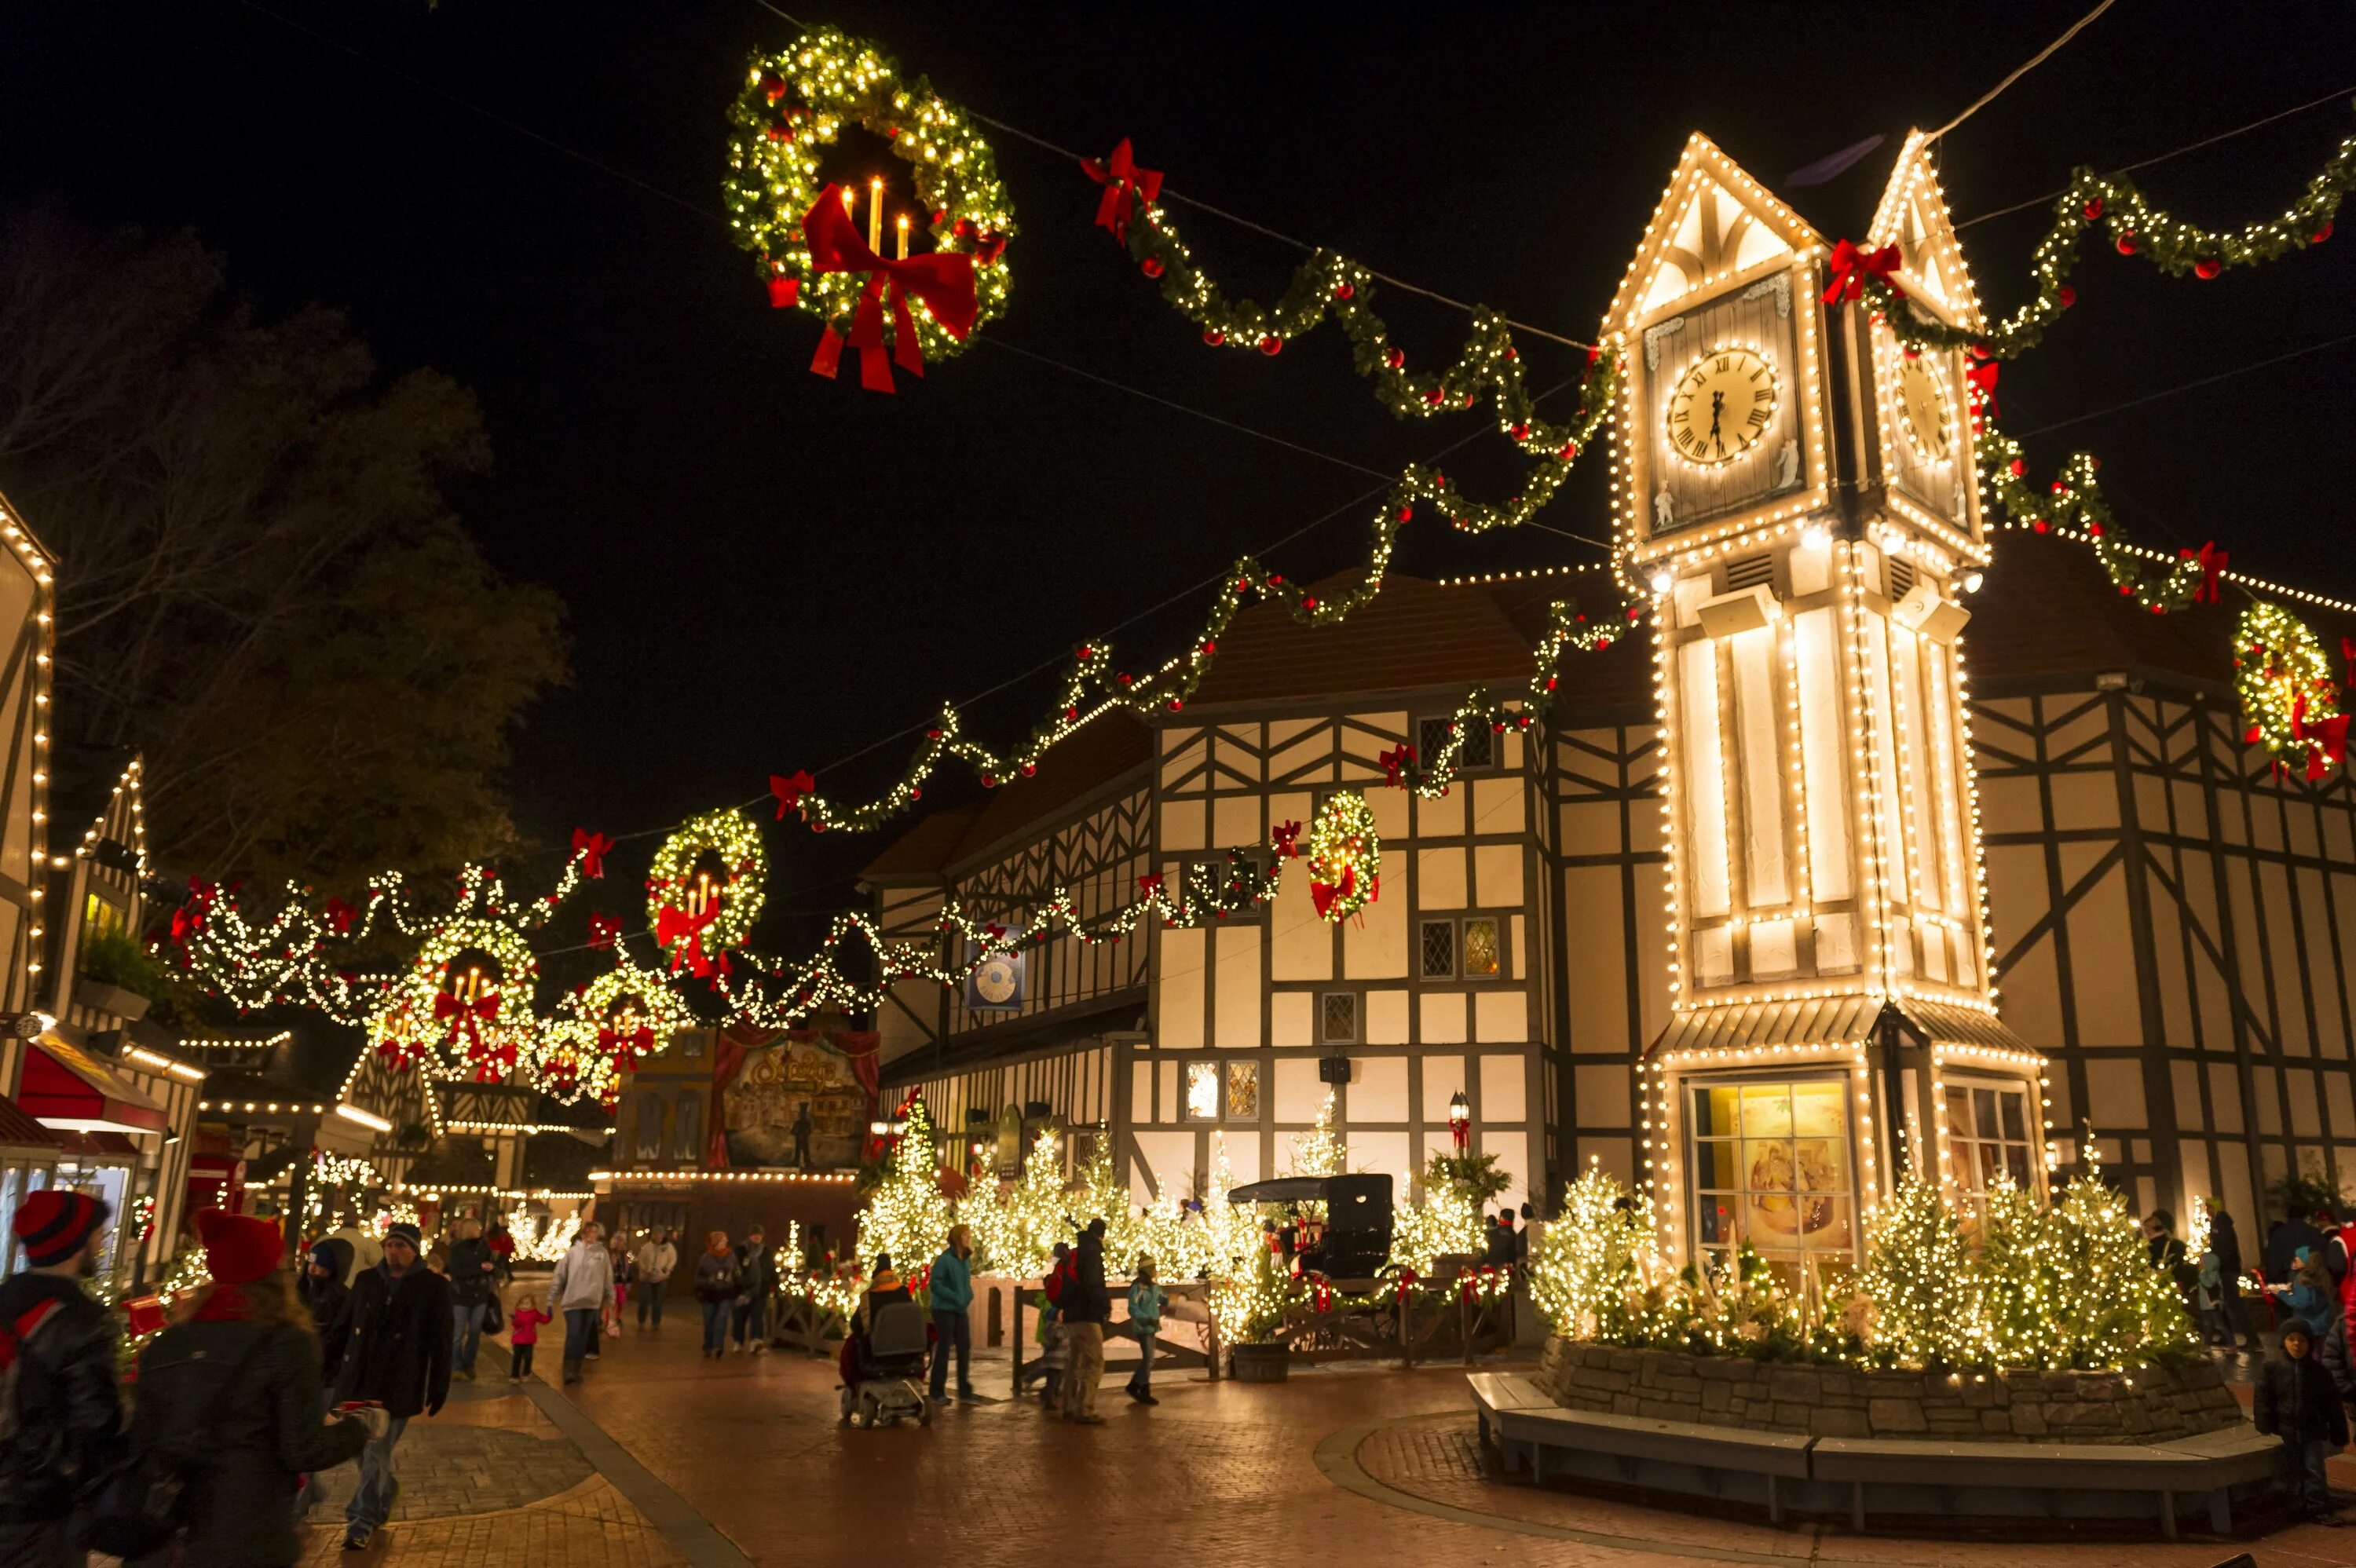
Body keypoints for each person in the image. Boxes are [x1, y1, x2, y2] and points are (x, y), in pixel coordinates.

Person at [126, 1209, 382, 1567]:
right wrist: (361, 1427)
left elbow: (144, 1435)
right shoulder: (286, 1343)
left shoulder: (168, 1344)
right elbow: (303, 1450)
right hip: (248, 1532)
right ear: (269, 1272)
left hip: (169, 1532)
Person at [0, 1192, 125, 1568]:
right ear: (77, 1243)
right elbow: (98, 1422)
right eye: (98, 1234)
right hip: (37, 1503)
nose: (101, 1243)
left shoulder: (5, 1298)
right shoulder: (82, 1320)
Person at [334, 1219, 453, 1551]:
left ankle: (360, 1522)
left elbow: (441, 1342)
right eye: (389, 1245)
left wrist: (438, 1387)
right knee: (359, 1450)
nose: (392, 1251)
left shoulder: (433, 1287)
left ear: (414, 1250)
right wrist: (327, 1366)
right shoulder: (366, 1280)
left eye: (400, 1246)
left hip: (398, 1384)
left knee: (376, 1453)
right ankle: (383, 1492)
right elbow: (344, 1327)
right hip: (358, 1382)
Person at [2255, 1320, 2349, 1525]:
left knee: (2314, 1469)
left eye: (2302, 1340)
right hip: (2285, 1429)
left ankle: (2318, 1508)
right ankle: (2296, 1505)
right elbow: (2263, 1398)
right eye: (2292, 1339)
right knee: (2292, 1468)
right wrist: (2265, 1422)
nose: (2297, 1344)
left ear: (2309, 1344)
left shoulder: (2318, 1372)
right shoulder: (2273, 1369)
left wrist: (2338, 1430)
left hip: (2312, 1430)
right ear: (2284, 1342)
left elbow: (2332, 1404)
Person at [1060, 1218, 1111, 1425]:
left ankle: (1069, 1406)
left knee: (1075, 1361)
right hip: (1088, 1315)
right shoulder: (1093, 1254)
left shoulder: (1076, 1252)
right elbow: (1094, 1284)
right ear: (1102, 1234)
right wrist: (1104, 1307)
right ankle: (1085, 1409)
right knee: (1095, 1362)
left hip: (1072, 1315)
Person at [550, 1220, 613, 1384]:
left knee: (583, 1336)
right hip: (573, 1301)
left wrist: (609, 1298)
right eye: (590, 1232)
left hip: (592, 1302)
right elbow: (560, 1276)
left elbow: (608, 1278)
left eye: (595, 1232)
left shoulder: (602, 1254)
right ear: (584, 1234)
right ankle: (568, 1370)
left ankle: (576, 1368)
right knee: (574, 1334)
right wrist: (552, 1299)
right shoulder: (572, 1253)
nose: (593, 1235)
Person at [927, 1225, 975, 1402]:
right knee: (944, 1348)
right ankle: (937, 1390)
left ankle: (964, 1388)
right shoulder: (945, 1260)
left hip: (960, 1308)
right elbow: (936, 1284)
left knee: (964, 1346)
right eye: (965, 1235)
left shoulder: (966, 1260)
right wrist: (954, 1296)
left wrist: (968, 1295)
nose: (968, 1238)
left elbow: (965, 1283)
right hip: (944, 1309)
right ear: (957, 1238)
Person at [446, 1219, 497, 1383]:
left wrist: (492, 1268)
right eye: (477, 1228)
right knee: (457, 1334)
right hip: (461, 1295)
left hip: (480, 1294)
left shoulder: (483, 1246)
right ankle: (455, 1366)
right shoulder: (457, 1248)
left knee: (475, 1331)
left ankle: (469, 1364)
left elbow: (491, 1265)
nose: (480, 1230)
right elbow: (455, 1270)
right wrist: (478, 1269)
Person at [299, 1237, 355, 1383]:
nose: (312, 1269)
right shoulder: (302, 1290)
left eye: (319, 1265)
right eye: (311, 1262)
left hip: (325, 1372)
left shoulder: (341, 1298)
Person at [2207, 1208, 2262, 1352]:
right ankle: (2230, 1337)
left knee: (2235, 1306)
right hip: (2227, 1270)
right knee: (2227, 1305)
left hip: (2227, 1271)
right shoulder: (2222, 1225)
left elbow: (2223, 1250)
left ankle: (2252, 1339)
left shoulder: (2221, 1226)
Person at [1126, 1254, 1166, 1406]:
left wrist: (1171, 1302)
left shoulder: (1154, 1288)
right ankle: (1137, 1386)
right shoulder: (1137, 1289)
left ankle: (1141, 1387)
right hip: (1143, 1327)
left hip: (1151, 1327)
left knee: (1149, 1359)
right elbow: (1133, 1308)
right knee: (1149, 1358)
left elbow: (1162, 1298)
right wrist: (1145, 1319)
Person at [693, 1230, 741, 1359]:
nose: (724, 1243)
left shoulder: (731, 1256)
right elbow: (698, 1278)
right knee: (709, 1320)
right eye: (722, 1241)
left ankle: (719, 1346)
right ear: (715, 1243)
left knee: (722, 1318)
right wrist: (708, 1281)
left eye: (725, 1241)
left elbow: (737, 1272)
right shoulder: (706, 1258)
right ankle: (708, 1345)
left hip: (726, 1292)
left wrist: (735, 1279)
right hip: (709, 1293)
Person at [734, 1225, 777, 1354]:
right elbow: (735, 1269)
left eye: (759, 1235)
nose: (757, 1237)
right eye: (755, 1234)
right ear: (750, 1236)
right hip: (743, 1290)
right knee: (740, 1317)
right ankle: (738, 1341)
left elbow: (771, 1268)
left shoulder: (766, 1252)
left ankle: (756, 1342)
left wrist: (774, 1285)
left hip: (760, 1290)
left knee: (757, 1317)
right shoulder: (740, 1251)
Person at [633, 1227, 677, 1329]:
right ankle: (641, 1321)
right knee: (644, 1301)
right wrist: (645, 1270)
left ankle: (656, 1322)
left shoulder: (668, 1247)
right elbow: (640, 1260)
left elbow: (673, 1258)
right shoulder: (647, 1247)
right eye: (657, 1234)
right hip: (647, 1278)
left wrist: (667, 1268)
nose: (659, 1237)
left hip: (661, 1277)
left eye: (661, 1234)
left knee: (658, 1302)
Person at [327, 1212, 384, 1286]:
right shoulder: (366, 1242)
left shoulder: (326, 1239)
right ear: (357, 1222)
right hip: (353, 1289)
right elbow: (381, 1266)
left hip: (327, 1290)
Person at [506, 1294, 549, 1383]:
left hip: (529, 1341)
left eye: (527, 1304)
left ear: (533, 1306)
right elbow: (516, 1325)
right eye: (522, 1304)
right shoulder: (518, 1313)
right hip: (518, 1340)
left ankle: (526, 1373)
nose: (524, 1306)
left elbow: (543, 1320)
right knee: (516, 1358)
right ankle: (515, 1375)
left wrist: (549, 1314)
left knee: (528, 1357)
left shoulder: (534, 1313)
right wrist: (516, 1320)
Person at [605, 1233, 633, 1338]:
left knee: (620, 1303)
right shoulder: (610, 1254)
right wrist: (613, 1263)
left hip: (621, 1283)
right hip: (612, 1283)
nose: (620, 1244)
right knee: (611, 1303)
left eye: (622, 1241)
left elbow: (628, 1270)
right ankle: (609, 1321)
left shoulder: (625, 1256)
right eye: (618, 1241)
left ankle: (617, 1318)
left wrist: (629, 1281)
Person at [487, 1220, 516, 1287]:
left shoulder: (493, 1235)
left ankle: (503, 1276)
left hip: (498, 1252)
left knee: (500, 1265)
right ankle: (504, 1276)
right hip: (502, 1252)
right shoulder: (503, 1236)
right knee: (503, 1265)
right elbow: (508, 1244)